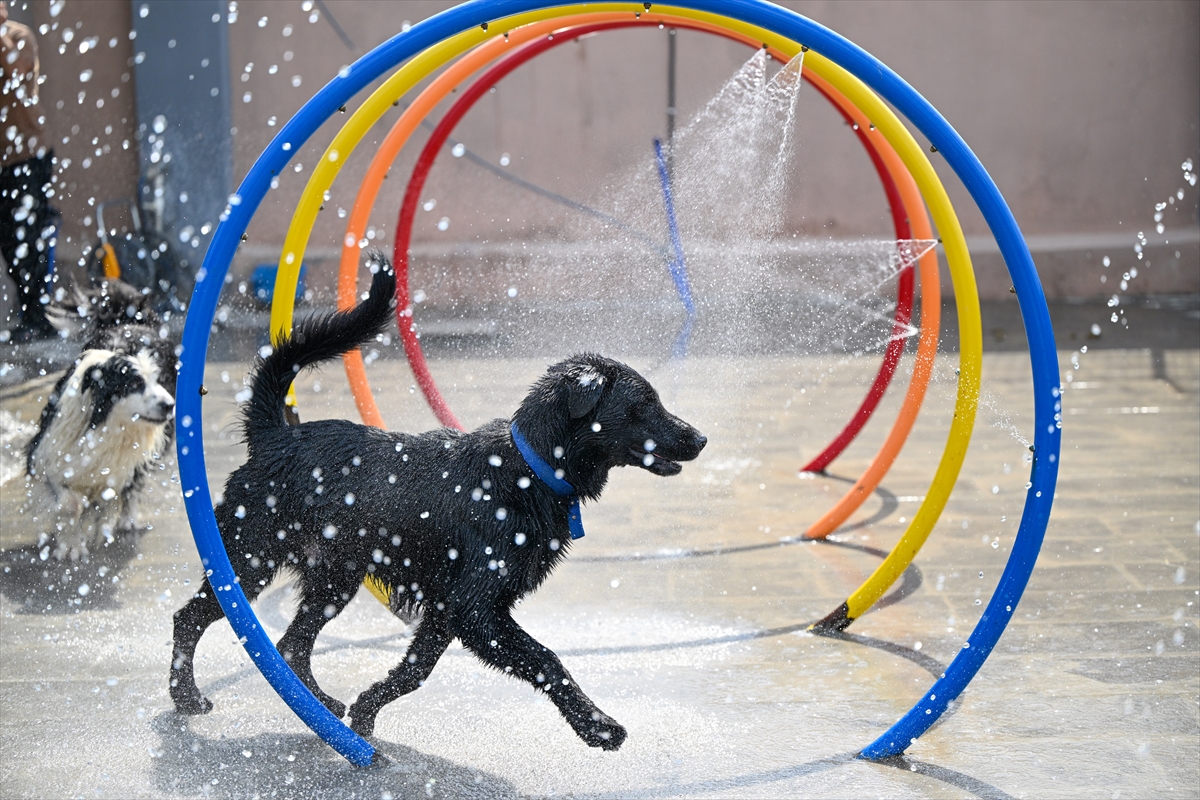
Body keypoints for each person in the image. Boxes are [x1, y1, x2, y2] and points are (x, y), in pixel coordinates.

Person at [0, 1, 58, 342]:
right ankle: (30, 314)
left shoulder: (19, 36)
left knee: (28, 234)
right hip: (2, 160)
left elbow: (16, 72)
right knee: (10, 240)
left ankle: (39, 319)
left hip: (28, 155)